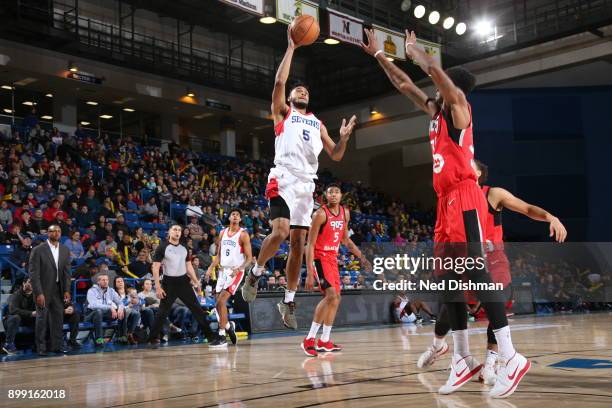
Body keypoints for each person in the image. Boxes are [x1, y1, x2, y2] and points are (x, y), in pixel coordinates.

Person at [361, 28, 528, 398]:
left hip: (465, 194)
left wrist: (419, 53)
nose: (436, 89)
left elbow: (438, 77)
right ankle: (462, 359)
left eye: (444, 83)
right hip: (445, 202)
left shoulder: (460, 109)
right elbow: (405, 85)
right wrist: (379, 56)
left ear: (455, 87)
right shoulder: (436, 112)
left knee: (477, 271)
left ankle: (511, 355)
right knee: (450, 281)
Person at [242, 25, 358, 331]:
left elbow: (335, 155)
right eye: (297, 90)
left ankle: (288, 299)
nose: (301, 91)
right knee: (279, 232)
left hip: (306, 186)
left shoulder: (318, 123)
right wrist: (292, 46)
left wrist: (344, 138)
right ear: (290, 98)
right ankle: (256, 270)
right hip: (283, 177)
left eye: (305, 90)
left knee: (296, 245)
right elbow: (280, 80)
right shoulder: (282, 113)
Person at [417, 160, 567, 385]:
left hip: (493, 260)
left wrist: (550, 217)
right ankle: (438, 345)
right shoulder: (452, 196)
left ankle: (491, 362)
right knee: (450, 307)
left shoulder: (492, 194)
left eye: (467, 164)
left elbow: (525, 208)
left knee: (496, 301)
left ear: (477, 173)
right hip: (466, 260)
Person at [302, 184, 370, 356]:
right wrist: (310, 271)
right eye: (330, 192)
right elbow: (309, 244)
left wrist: (362, 257)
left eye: (336, 192)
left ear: (341, 196)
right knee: (331, 295)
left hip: (332, 258)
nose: (333, 195)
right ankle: (309, 339)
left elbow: (346, 240)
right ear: (325, 195)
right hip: (319, 258)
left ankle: (324, 340)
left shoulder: (345, 213)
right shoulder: (320, 214)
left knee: (336, 298)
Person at [146, 223, 221, 348]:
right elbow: (155, 267)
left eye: (179, 230)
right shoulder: (162, 247)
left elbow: (188, 266)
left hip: (183, 282)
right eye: (175, 229)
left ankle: (210, 336)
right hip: (168, 283)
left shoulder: (184, 247)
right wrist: (158, 287)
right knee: (162, 312)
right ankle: (152, 338)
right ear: (169, 232)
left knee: (197, 309)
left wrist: (196, 282)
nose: (177, 232)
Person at [206, 209, 252, 346]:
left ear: (240, 219)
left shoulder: (243, 235)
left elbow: (249, 258)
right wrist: (210, 267)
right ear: (229, 217)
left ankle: (221, 336)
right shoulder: (222, 233)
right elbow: (219, 255)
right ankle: (228, 327)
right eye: (233, 214)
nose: (236, 216)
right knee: (217, 304)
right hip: (222, 271)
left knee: (221, 302)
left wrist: (239, 269)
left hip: (235, 271)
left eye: (238, 215)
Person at [29, 224, 72, 355]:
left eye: (59, 231)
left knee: (58, 319)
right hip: (44, 290)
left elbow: (67, 273)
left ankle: (56, 346)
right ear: (48, 233)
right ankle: (41, 348)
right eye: (54, 231)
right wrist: (39, 293)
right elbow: (33, 274)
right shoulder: (38, 250)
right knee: (42, 320)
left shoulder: (65, 249)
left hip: (58, 290)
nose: (57, 233)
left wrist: (66, 290)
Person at [85, 273, 128, 346]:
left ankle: (122, 336)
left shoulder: (111, 290)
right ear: (98, 282)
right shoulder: (91, 291)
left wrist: (120, 308)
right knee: (98, 311)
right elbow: (93, 305)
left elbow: (120, 302)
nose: (106, 281)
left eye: (107, 280)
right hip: (91, 315)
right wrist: (110, 307)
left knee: (123, 310)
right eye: (103, 280)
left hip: (105, 315)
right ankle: (99, 339)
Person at [2, 278, 36, 354]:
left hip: (26, 320)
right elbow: (13, 311)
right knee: (16, 317)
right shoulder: (16, 295)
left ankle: (45, 343)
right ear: (24, 283)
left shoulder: (35, 296)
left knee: (45, 316)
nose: (32, 284)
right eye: (30, 282)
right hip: (11, 320)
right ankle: (8, 344)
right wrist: (30, 313)